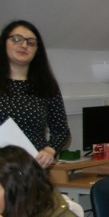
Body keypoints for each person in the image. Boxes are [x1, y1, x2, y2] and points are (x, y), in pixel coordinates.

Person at [0, 20, 70, 168]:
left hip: (33, 169)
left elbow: (61, 131)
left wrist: (49, 151)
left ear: (37, 50)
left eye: (31, 42)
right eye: (17, 39)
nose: (24, 45)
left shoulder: (46, 86)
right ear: (4, 43)